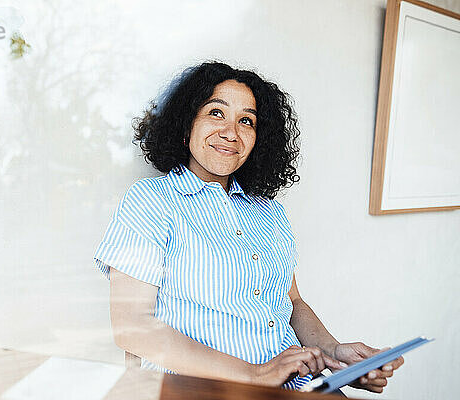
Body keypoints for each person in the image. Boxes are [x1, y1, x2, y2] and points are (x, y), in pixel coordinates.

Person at [93, 61, 403, 392]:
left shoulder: (269, 211)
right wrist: (253, 374)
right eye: (216, 113)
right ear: (186, 126)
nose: (231, 132)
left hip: (296, 385)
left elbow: (292, 302)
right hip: (206, 390)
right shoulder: (150, 201)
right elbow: (132, 327)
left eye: (246, 121)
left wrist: (335, 353)